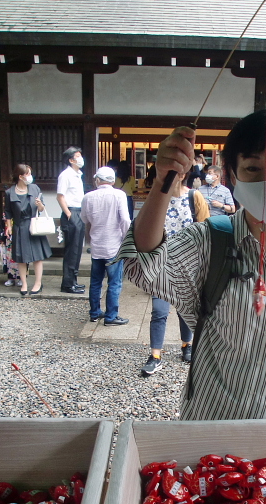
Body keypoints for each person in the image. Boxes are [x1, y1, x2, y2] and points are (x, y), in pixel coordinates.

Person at [112, 108, 266, 419]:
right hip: (211, 425)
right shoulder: (208, 241)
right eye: (251, 169)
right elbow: (143, 264)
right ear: (233, 176)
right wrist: (163, 182)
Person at [141, 171, 208, 377]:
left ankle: (186, 345)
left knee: (184, 308)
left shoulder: (194, 196)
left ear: (183, 174)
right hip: (160, 263)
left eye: (176, 172)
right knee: (159, 311)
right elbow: (144, 227)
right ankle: (155, 355)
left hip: (187, 264)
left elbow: (206, 227)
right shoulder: (156, 197)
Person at [80, 166, 130, 325]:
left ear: (97, 180)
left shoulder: (88, 197)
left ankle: (94, 313)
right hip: (114, 245)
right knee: (114, 282)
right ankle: (111, 316)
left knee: (96, 281)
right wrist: (126, 239)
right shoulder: (119, 195)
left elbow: (84, 219)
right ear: (113, 181)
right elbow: (125, 220)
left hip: (96, 245)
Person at [5, 164, 51, 296]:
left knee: (37, 257)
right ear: (20, 176)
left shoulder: (35, 188)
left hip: (34, 225)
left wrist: (40, 205)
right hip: (19, 226)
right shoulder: (10, 192)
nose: (31, 176)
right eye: (28, 174)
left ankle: (38, 283)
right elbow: (7, 211)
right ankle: (24, 283)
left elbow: (42, 209)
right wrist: (8, 226)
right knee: (21, 257)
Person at [57, 146, 86, 294]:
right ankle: (67, 284)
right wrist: (68, 212)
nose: (81, 158)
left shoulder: (77, 175)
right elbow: (60, 196)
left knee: (77, 249)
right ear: (71, 160)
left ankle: (73, 280)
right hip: (71, 211)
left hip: (78, 211)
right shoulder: (66, 175)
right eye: (77, 156)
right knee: (71, 250)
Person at [0, 211, 22, 287]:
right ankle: (11, 278)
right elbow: (2, 225)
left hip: (21, 234)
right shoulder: (7, 211)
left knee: (21, 257)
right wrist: (1, 238)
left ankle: (22, 278)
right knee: (8, 258)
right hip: (8, 237)